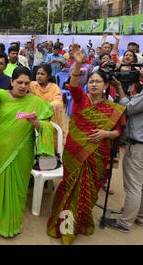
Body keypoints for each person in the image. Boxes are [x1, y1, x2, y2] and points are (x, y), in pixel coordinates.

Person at [47, 48, 126, 245]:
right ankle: (66, 227)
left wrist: (106, 133)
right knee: (69, 187)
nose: (93, 84)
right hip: (74, 151)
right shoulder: (80, 98)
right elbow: (73, 85)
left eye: (98, 81)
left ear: (106, 85)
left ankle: (81, 221)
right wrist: (78, 64)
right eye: (91, 81)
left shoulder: (112, 108)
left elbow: (118, 132)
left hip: (98, 152)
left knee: (89, 191)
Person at [0, 63, 55, 237]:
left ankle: (14, 221)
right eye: (19, 82)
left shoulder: (35, 101)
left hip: (23, 150)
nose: (23, 86)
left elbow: (47, 124)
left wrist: (36, 123)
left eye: (27, 83)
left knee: (19, 187)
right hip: (0, 148)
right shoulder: (1, 95)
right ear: (11, 81)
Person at [104, 71, 143, 232]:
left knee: (133, 186)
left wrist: (119, 88)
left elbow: (128, 107)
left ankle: (124, 222)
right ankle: (138, 215)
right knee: (140, 185)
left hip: (139, 145)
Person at [30, 64, 66, 138]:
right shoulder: (32, 85)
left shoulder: (54, 87)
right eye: (38, 73)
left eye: (42, 74)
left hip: (50, 118)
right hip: (34, 117)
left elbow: (58, 102)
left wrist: (45, 108)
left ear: (48, 76)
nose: (39, 76)